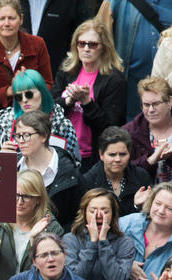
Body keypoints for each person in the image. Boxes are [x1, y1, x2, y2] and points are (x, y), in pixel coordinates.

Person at [50, 19, 128, 169]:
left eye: (92, 44)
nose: (86, 48)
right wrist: (68, 101)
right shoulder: (67, 71)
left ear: (104, 48)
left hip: (91, 156)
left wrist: (87, 103)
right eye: (81, 43)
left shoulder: (114, 80)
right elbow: (49, 109)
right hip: (59, 151)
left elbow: (110, 127)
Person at [0, 170, 65, 280]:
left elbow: (52, 274)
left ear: (38, 199)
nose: (20, 201)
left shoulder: (51, 228)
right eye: (15, 195)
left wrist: (34, 241)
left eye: (27, 196)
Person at [0, 0, 52, 136]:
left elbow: (48, 84)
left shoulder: (37, 44)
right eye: (2, 18)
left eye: (12, 18)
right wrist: (10, 91)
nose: (7, 23)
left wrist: (29, 85)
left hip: (35, 126)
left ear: (21, 19)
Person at [63, 189, 136, 280]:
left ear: (113, 214)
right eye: (93, 211)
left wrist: (103, 241)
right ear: (84, 212)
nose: (98, 216)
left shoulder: (125, 243)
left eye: (105, 211)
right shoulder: (70, 239)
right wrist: (92, 243)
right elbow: (74, 279)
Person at [7, 110, 82, 228]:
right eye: (18, 136)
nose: (21, 141)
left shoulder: (67, 169)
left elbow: (78, 214)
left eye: (26, 135)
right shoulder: (11, 166)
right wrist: (0, 165)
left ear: (44, 136)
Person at [0, 72, 81, 168]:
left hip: (53, 179)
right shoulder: (5, 123)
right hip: (15, 179)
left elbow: (74, 164)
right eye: (19, 97)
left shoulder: (62, 125)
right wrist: (0, 156)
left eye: (29, 94)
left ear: (42, 93)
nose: (24, 100)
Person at [79, 126, 153, 217]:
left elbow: (149, 215)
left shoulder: (141, 176)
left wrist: (137, 206)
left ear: (129, 154)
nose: (117, 159)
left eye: (122, 154)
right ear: (101, 155)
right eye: (112, 155)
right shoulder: (88, 181)